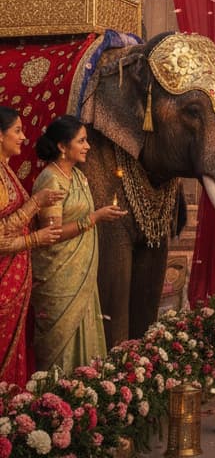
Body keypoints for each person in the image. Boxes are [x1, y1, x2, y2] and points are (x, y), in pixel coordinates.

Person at [31, 115, 125, 373]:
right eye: (81, 141)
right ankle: (57, 401)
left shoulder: (78, 177)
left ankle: (84, 398)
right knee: (60, 340)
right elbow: (50, 234)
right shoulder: (51, 180)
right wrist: (94, 218)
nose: (87, 146)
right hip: (58, 277)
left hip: (81, 275)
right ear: (62, 146)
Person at [0, 107, 63, 386]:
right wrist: (36, 206)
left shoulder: (6, 170)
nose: (24, 137)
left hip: (16, 285)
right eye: (17, 131)